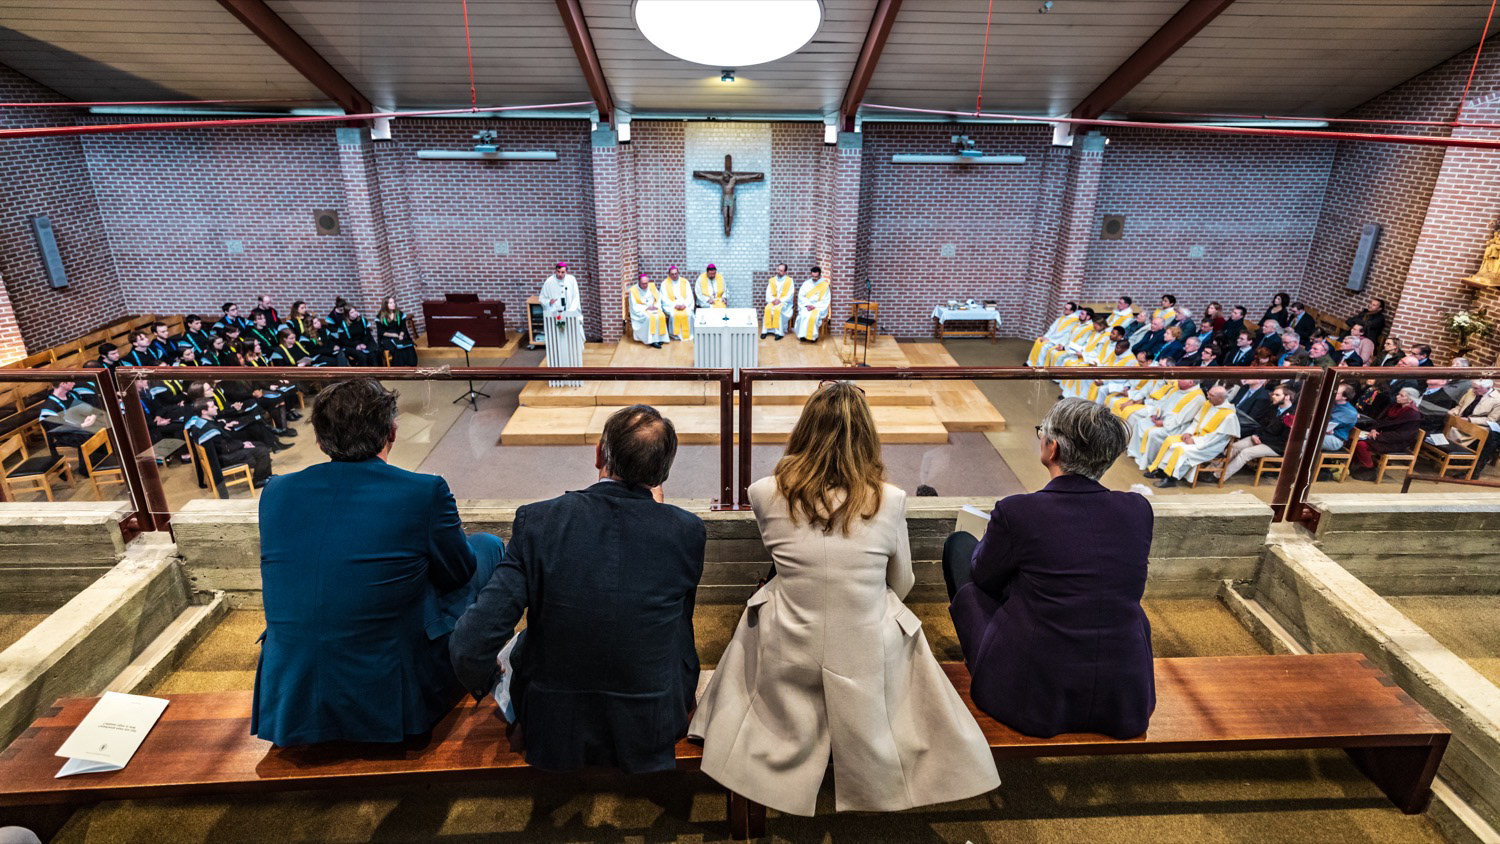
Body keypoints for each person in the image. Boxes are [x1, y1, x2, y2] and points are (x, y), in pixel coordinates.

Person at [692, 382, 998, 816]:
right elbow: (902, 583)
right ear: (867, 436)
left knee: (770, 598)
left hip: (787, 644)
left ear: (804, 429)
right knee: (891, 614)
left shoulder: (763, 492)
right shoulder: (889, 499)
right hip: (866, 652)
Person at [451, 405, 704, 772]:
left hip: (553, 724)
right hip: (652, 722)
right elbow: (677, 627)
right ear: (663, 472)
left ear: (599, 454)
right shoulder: (687, 531)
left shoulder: (538, 522)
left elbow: (469, 644)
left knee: (522, 641)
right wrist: (660, 516)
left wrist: (487, 681)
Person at [253, 379, 502, 747]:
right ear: (392, 432)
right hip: (387, 687)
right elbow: (458, 574)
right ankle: (483, 666)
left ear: (319, 440)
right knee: (488, 546)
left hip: (291, 691)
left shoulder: (275, 492)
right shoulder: (424, 491)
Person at [945, 398, 1153, 739]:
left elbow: (984, 577)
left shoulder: (1018, 511)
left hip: (1034, 697)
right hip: (1124, 694)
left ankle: (982, 660)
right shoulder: (1138, 509)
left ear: (1052, 447)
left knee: (960, 548)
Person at [1146, 385, 1241, 487]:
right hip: (1197, 437)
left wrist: (1195, 441)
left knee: (1180, 449)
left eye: (1211, 395)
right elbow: (1196, 422)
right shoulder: (1208, 404)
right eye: (1208, 393)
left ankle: (1171, 478)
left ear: (1220, 399)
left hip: (1210, 445)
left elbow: (1216, 438)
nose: (1207, 396)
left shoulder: (1229, 416)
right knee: (1170, 441)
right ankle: (1162, 471)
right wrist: (1188, 433)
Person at [184, 397, 274, 485]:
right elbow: (224, 448)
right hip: (223, 458)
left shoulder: (200, 422)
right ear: (204, 412)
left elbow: (221, 440)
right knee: (262, 451)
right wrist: (242, 445)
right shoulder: (208, 429)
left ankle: (266, 476)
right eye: (212, 406)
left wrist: (224, 424)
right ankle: (258, 480)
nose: (216, 407)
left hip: (224, 451)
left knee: (260, 444)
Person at [1222, 383, 1298, 480]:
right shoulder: (1272, 408)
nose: (1273, 396)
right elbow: (1261, 424)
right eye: (1273, 394)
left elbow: (1284, 439)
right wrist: (1255, 434)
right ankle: (1213, 470)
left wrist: (1261, 438)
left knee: (1246, 453)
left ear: (1287, 397)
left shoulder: (1293, 415)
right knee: (1234, 447)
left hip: (1276, 446)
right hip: (1261, 438)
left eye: (1277, 395)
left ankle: (1220, 477)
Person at [1129, 379, 1205, 471]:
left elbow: (1182, 418)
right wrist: (1155, 413)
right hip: (1161, 419)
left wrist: (1164, 423)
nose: (1178, 380)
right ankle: (1136, 453)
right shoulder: (1177, 389)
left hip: (1176, 427)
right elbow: (1162, 402)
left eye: (1182, 379)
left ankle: (1148, 461)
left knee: (1154, 433)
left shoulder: (1198, 398)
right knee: (1141, 423)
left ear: (1190, 382)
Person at [1351, 387, 1423, 479]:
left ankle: (1368, 468)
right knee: (1352, 439)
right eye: (1399, 394)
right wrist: (1374, 429)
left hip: (1396, 442)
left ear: (1410, 400)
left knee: (1361, 445)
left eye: (1401, 395)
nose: (1397, 396)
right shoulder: (1394, 406)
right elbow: (1379, 420)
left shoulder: (1413, 415)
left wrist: (1379, 436)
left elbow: (1403, 435)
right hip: (1383, 436)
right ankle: (1357, 465)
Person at [1028, 301, 1079, 366]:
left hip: (1058, 341)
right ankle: (1031, 362)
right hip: (1052, 338)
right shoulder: (1062, 317)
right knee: (1039, 341)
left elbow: (1064, 334)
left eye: (1066, 309)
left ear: (1071, 311)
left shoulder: (1074, 321)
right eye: (1064, 307)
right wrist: (1045, 337)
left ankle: (1040, 365)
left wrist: (1049, 339)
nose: (1063, 310)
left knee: (1044, 346)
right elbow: (1052, 329)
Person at [628, 273, 671, 348]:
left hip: (653, 308)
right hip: (642, 311)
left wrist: (655, 306)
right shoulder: (633, 290)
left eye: (646, 283)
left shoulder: (652, 286)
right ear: (639, 282)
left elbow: (658, 298)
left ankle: (660, 338)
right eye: (643, 284)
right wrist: (646, 308)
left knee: (661, 316)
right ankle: (652, 341)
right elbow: (634, 306)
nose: (645, 285)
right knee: (650, 318)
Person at [376, 296, 417, 366]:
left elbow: (403, 327)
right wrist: (393, 335)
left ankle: (411, 366)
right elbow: (381, 332)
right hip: (387, 338)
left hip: (399, 335)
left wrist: (401, 334)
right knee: (398, 348)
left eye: (394, 302)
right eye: (391, 303)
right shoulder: (380, 317)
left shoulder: (399, 314)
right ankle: (399, 367)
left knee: (409, 347)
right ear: (386, 305)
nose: (393, 304)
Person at [658, 265, 696, 340]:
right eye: (672, 274)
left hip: (684, 305)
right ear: (669, 274)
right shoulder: (664, 284)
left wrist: (685, 305)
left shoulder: (685, 282)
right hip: (671, 306)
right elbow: (663, 298)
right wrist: (674, 305)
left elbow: (690, 296)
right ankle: (675, 335)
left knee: (689, 314)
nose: (675, 276)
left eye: (676, 273)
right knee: (673, 314)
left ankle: (689, 334)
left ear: (678, 273)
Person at [794, 266, 831, 342]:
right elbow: (801, 296)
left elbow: (825, 300)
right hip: (807, 305)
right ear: (811, 274)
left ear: (819, 275)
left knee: (813, 317)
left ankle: (812, 337)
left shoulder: (824, 285)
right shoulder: (806, 284)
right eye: (813, 276)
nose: (814, 278)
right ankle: (802, 335)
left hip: (818, 306)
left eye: (816, 277)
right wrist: (808, 305)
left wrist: (814, 306)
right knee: (803, 315)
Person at [762, 263, 795, 339]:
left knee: (777, 310)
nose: (779, 272)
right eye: (778, 270)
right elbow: (768, 292)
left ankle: (779, 333)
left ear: (785, 272)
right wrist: (773, 300)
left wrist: (780, 300)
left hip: (784, 302)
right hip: (773, 301)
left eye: (781, 271)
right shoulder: (772, 280)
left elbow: (790, 294)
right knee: (767, 309)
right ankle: (765, 331)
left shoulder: (789, 281)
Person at [1324, 384, 1359, 452]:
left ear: (1344, 397)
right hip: (1325, 433)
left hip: (1335, 439)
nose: (1332, 393)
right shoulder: (1333, 404)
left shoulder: (1349, 412)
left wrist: (1327, 429)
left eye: (1336, 392)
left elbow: (1327, 427)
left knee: (1305, 443)